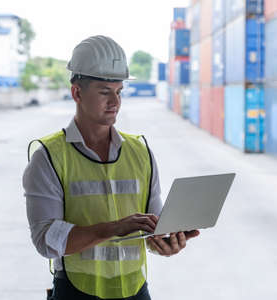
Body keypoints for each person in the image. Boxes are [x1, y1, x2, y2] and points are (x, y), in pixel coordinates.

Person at [22, 35, 199, 300]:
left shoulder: (140, 152)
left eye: (118, 92)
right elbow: (46, 240)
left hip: (136, 290)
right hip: (76, 292)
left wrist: (165, 243)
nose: (115, 102)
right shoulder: (49, 157)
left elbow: (152, 228)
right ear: (77, 93)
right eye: (105, 92)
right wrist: (114, 227)